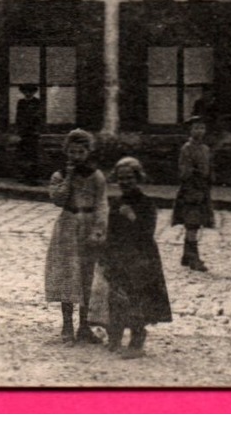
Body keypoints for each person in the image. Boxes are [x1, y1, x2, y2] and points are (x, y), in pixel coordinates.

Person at [91, 157, 173, 357]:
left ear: (137, 178)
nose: (125, 182)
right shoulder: (117, 202)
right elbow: (112, 232)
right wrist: (105, 253)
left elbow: (147, 232)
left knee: (137, 299)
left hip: (140, 258)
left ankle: (137, 340)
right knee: (117, 297)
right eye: (121, 178)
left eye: (129, 178)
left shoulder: (146, 203)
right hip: (119, 256)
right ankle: (116, 337)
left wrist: (132, 217)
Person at [45, 128, 108, 344]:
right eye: (72, 152)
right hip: (68, 226)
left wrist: (99, 229)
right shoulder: (59, 176)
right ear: (66, 152)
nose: (76, 156)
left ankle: (84, 326)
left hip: (88, 226)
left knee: (86, 277)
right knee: (67, 275)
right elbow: (58, 200)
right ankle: (66, 325)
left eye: (80, 152)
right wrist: (69, 178)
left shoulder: (96, 176)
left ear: (87, 152)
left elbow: (101, 203)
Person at [172, 118, 215, 271]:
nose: (199, 131)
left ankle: (186, 255)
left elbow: (209, 168)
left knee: (195, 224)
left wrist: (209, 178)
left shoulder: (205, 149)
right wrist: (197, 176)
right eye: (196, 128)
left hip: (202, 190)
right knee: (192, 223)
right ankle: (194, 258)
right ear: (190, 130)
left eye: (202, 128)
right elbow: (184, 172)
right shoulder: (186, 148)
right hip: (191, 190)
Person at [12, 85, 44, 184]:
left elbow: (39, 118)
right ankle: (23, 176)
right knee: (23, 155)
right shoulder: (21, 103)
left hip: (33, 133)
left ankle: (33, 178)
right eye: (25, 91)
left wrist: (37, 130)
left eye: (30, 92)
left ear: (34, 93)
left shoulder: (37, 102)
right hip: (23, 133)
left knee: (33, 155)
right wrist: (18, 130)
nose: (28, 93)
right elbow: (18, 117)